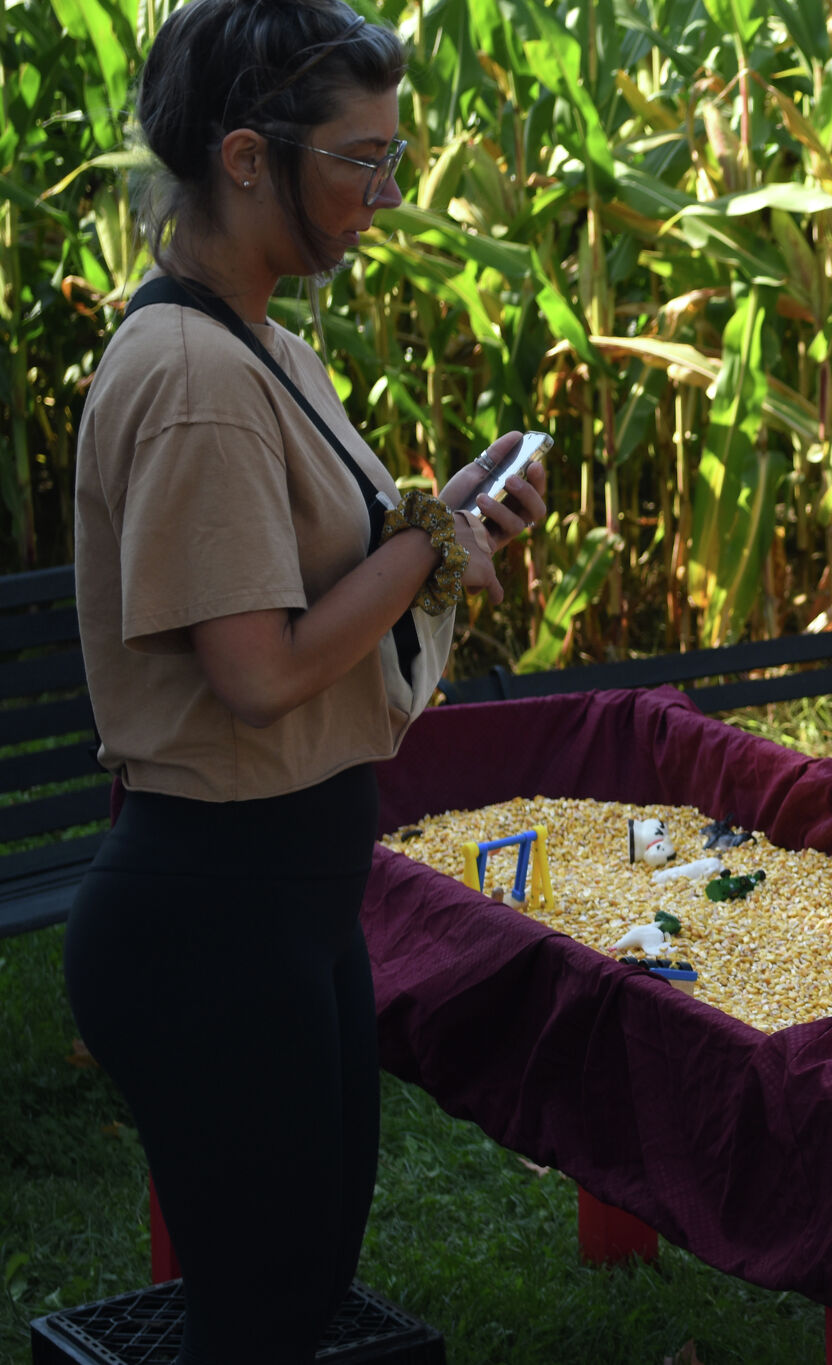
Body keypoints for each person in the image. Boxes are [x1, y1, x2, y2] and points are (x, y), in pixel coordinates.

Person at [62, 2, 547, 1361]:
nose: (384, 198)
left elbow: (345, 591)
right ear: (243, 158)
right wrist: (433, 538)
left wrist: (445, 523)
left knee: (293, 1291)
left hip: (289, 903)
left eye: (394, 160)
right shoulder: (198, 376)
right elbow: (259, 672)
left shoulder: (268, 347)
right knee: (262, 1314)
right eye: (360, 160)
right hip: (212, 915)